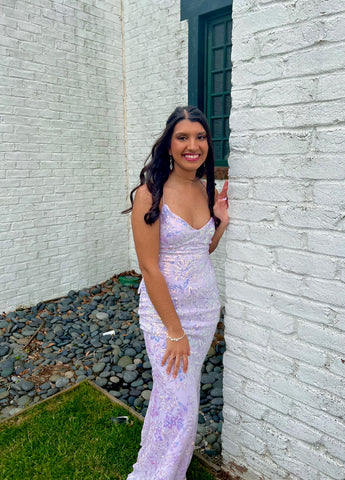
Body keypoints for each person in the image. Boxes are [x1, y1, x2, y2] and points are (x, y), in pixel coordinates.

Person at [124, 105, 229, 480]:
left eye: (200, 137)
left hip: (203, 312)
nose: (193, 145)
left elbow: (203, 250)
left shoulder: (203, 189)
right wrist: (174, 331)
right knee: (183, 405)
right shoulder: (149, 195)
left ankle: (154, 467)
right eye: (183, 137)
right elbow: (149, 267)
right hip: (166, 318)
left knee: (171, 398)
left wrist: (220, 222)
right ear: (169, 144)